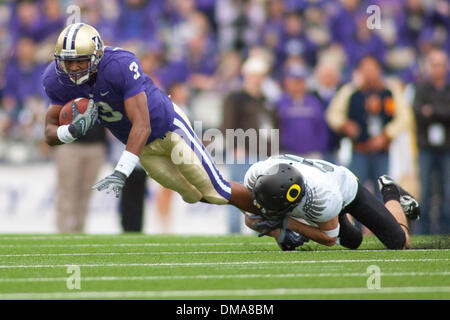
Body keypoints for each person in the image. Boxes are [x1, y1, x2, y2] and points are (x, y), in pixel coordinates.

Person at [42, 23, 257, 217]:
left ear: (96, 55)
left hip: (169, 129)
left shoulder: (119, 65)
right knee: (194, 194)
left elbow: (142, 124)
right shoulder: (56, 79)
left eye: (79, 60)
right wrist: (70, 131)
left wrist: (122, 170)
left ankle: (273, 212)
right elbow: (50, 132)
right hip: (143, 148)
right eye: (68, 62)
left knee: (216, 189)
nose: (73, 68)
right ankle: (267, 222)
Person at [243, 154, 420, 251]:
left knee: (401, 243)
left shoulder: (322, 199)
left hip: (347, 191)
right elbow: (251, 217)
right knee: (354, 241)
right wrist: (278, 232)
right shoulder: (257, 173)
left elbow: (329, 238)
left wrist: (289, 223)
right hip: (327, 188)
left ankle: (391, 191)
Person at [326, 56, 412, 198]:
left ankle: (382, 220)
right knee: (355, 191)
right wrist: (345, 124)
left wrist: (386, 135)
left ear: (379, 70)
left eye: (372, 69)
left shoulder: (390, 91)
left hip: (382, 151)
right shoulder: (350, 91)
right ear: (359, 71)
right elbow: (333, 114)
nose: (369, 73)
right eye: (365, 70)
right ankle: (355, 221)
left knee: (384, 191)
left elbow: (405, 118)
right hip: (359, 149)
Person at [412, 48, 450, 234]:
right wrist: (441, 112)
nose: (438, 69)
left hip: (447, 147)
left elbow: (429, 112)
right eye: (435, 65)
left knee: (447, 190)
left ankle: (445, 230)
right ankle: (424, 231)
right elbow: (418, 112)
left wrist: (433, 111)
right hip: (426, 147)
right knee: (425, 191)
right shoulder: (421, 88)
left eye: (441, 65)